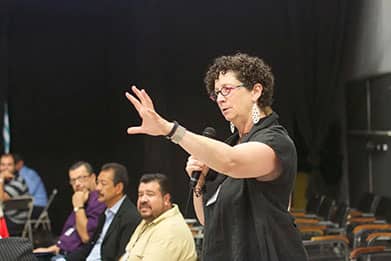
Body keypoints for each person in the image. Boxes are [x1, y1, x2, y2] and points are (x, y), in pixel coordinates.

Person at [124, 53, 308, 260]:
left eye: (227, 90)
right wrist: (200, 180)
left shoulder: (275, 141)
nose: (220, 98)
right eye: (216, 93)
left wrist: (170, 130)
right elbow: (206, 218)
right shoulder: (230, 144)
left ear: (256, 91)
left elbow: (232, 161)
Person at [67, 162, 140, 261]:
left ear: (118, 188)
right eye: (98, 182)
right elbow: (89, 248)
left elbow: (122, 256)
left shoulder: (130, 217)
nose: (98, 188)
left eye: (103, 184)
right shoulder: (105, 212)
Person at [34, 161, 106, 256]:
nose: (77, 184)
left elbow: (86, 237)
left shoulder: (99, 200)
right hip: (60, 251)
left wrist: (78, 206)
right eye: (73, 180)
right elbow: (70, 232)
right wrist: (53, 249)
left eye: (81, 178)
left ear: (93, 178)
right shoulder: (81, 198)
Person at [120, 173, 197, 261]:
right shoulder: (149, 221)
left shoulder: (170, 229)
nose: (143, 200)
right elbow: (127, 255)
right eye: (140, 195)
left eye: (150, 194)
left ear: (166, 199)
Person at [0, 153, 29, 236]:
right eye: (2, 164)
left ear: (15, 166)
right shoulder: (4, 181)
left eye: (9, 164)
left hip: (14, 220)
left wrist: (1, 178)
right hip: (4, 217)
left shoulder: (18, 182)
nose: (5, 168)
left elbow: (1, 199)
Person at [14, 154, 48, 219]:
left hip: (37, 205)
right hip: (28, 204)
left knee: (10, 212)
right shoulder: (18, 174)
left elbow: (28, 192)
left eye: (14, 164)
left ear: (20, 163)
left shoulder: (28, 173)